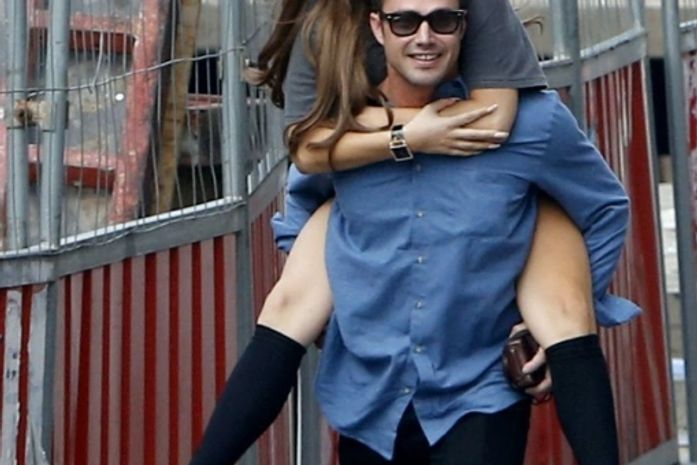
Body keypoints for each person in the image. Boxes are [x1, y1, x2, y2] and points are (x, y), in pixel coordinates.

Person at [190, 0, 640, 464]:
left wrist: (572, 310)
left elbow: (605, 206)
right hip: (373, 393)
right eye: (404, 22)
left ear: (465, 27)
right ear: (377, 29)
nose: (424, 37)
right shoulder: (345, 139)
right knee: (287, 310)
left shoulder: (531, 124)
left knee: (563, 307)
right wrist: (337, 296)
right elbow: (305, 195)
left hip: (478, 388)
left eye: (443, 21)